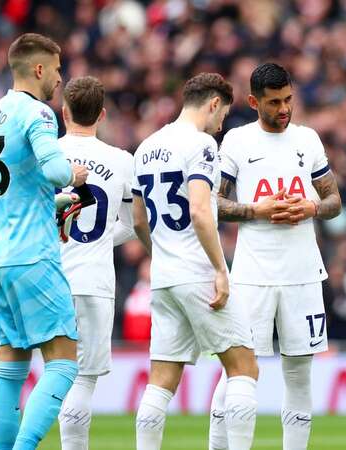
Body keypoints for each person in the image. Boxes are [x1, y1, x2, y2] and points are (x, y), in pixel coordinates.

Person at [213, 62, 341, 450]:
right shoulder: (237, 141)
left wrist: (312, 208)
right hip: (253, 275)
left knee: (299, 374)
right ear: (254, 102)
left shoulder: (309, 140)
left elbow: (334, 200)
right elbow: (213, 203)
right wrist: (257, 210)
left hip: (303, 273)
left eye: (288, 99)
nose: (284, 109)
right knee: (237, 372)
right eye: (274, 102)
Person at [0, 33, 88, 450]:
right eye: (56, 70)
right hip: (33, 256)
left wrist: (47, 202)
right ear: (39, 69)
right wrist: (72, 175)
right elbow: (55, 168)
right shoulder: (38, 113)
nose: (59, 79)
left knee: (11, 369)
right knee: (62, 365)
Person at [131, 73, 258, 450]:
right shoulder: (201, 144)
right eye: (223, 117)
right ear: (213, 103)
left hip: (165, 276)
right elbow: (201, 210)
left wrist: (161, 256)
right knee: (243, 368)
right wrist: (220, 269)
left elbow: (138, 219)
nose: (221, 127)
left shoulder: (146, 146)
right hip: (198, 270)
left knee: (162, 379)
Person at [55, 76, 135, 450]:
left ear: (64, 111)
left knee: (55, 375)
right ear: (102, 114)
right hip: (93, 279)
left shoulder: (47, 155)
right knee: (84, 379)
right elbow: (132, 228)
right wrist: (101, 240)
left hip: (49, 279)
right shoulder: (121, 160)